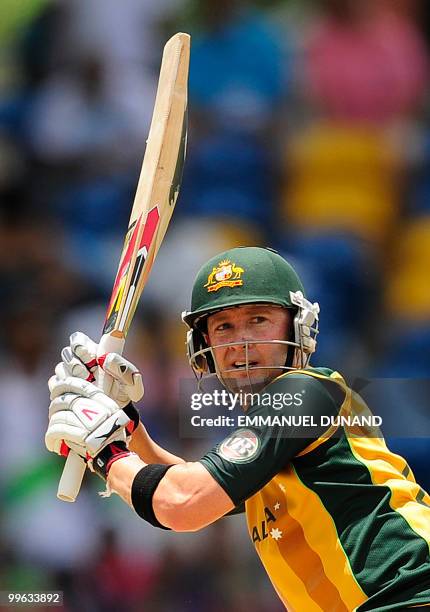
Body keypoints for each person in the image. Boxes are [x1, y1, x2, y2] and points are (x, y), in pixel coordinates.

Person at [46, 246, 430, 611]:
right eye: (224, 326)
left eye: (258, 320)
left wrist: (106, 452)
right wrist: (127, 426)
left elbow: (182, 504)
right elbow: (194, 489)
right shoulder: (280, 437)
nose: (241, 342)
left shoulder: (304, 392)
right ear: (204, 343)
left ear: (298, 327)